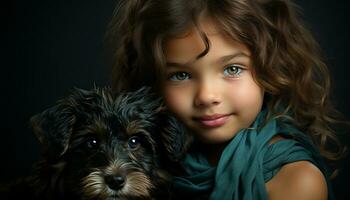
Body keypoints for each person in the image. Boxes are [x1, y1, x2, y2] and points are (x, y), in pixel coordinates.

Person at [105, 0, 348, 199]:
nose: (207, 96)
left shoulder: (294, 180)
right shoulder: (138, 169)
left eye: (232, 69)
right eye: (181, 75)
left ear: (270, 67)